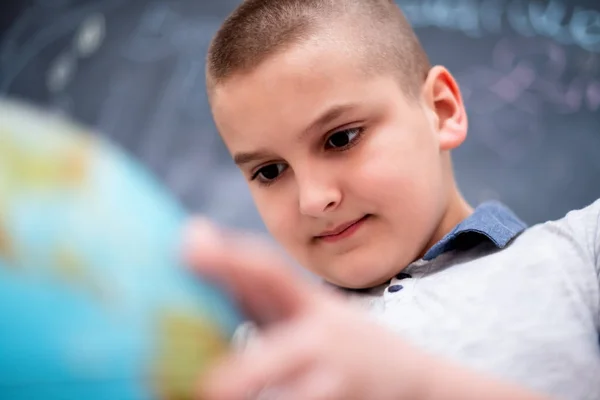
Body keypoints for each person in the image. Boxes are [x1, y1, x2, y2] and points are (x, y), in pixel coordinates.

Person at [183, 0, 600, 398]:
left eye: (341, 138)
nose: (313, 199)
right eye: (270, 171)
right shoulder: (256, 350)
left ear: (441, 110)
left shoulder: (582, 253)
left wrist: (418, 387)